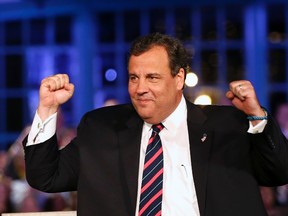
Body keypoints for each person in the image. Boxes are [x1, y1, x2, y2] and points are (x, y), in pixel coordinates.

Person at [22, 32, 288, 216]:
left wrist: (256, 116)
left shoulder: (227, 124)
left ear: (179, 78)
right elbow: (46, 176)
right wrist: (48, 108)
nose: (140, 88)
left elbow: (279, 172)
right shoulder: (101, 127)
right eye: (134, 78)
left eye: (152, 78)